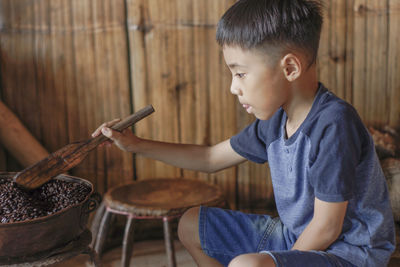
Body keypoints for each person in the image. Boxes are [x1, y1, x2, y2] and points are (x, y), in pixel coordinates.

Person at [92, 0, 396, 266]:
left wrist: (277, 261)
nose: (233, 87)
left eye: (240, 73)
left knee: (247, 265)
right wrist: (136, 145)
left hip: (347, 254)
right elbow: (210, 157)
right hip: (298, 238)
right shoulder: (275, 121)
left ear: (289, 68)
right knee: (191, 224)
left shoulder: (333, 124)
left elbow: (328, 227)